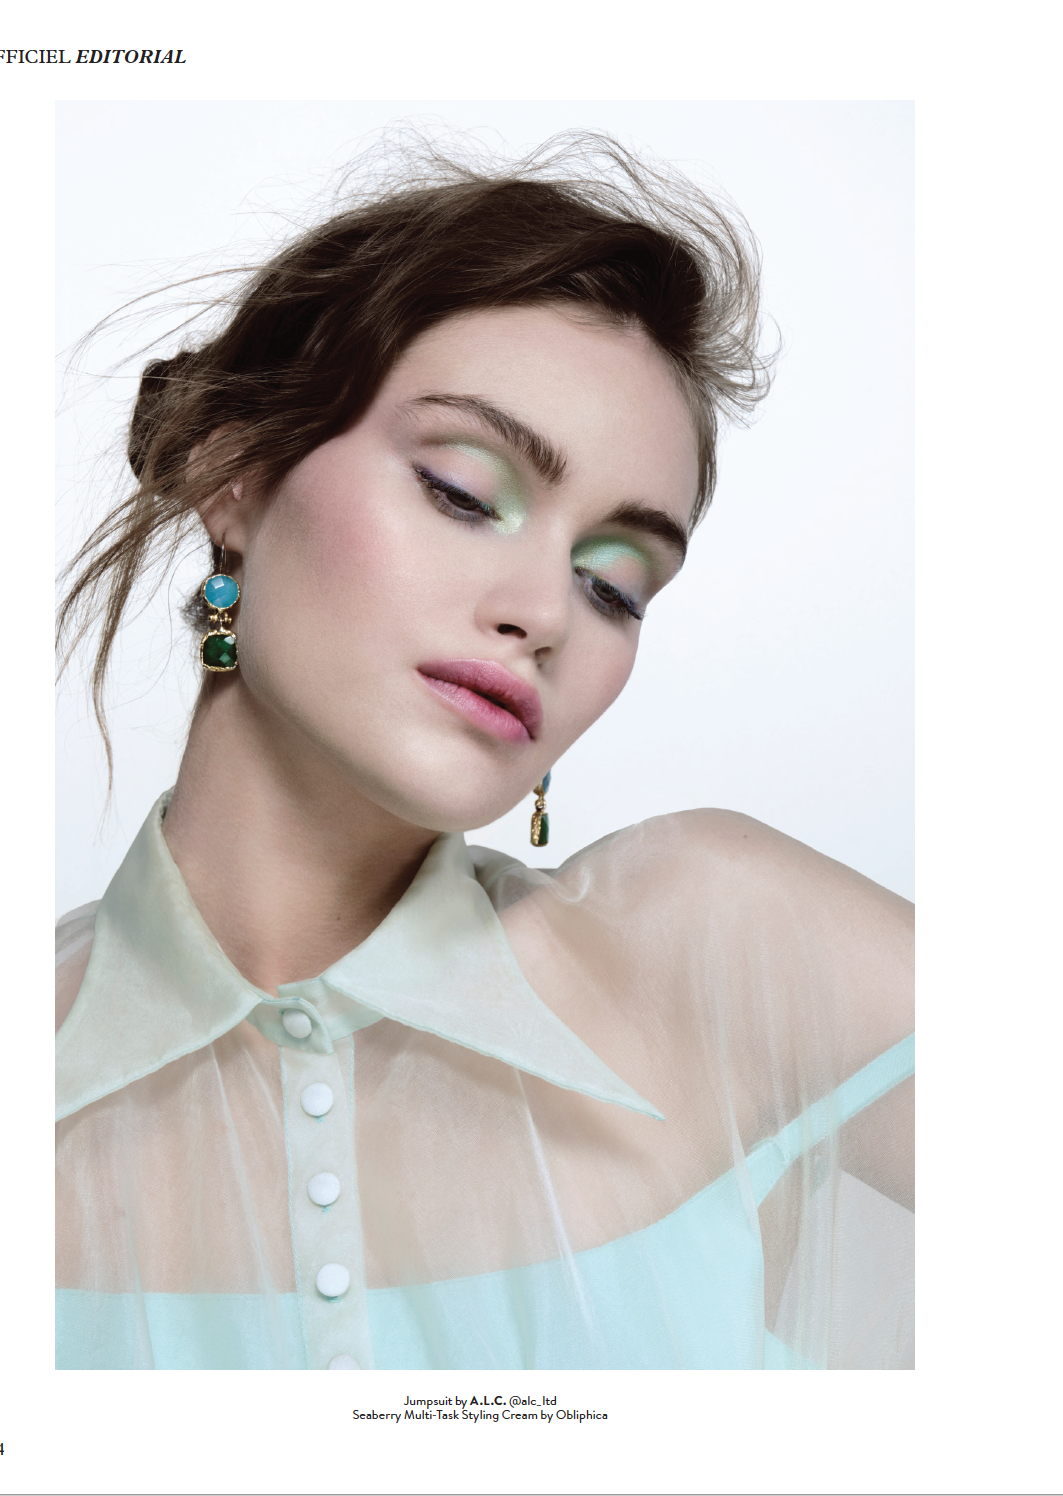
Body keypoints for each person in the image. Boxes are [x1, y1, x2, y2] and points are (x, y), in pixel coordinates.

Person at [55, 134, 914, 1371]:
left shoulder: (715, 949)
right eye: (464, 491)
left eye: (616, 582)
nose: (546, 612)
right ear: (233, 470)